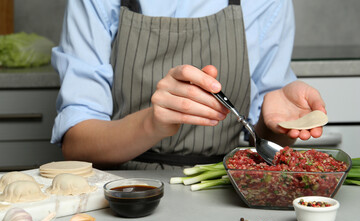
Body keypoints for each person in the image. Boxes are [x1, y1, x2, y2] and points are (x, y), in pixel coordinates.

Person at [51, 0, 326, 169]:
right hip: (125, 193)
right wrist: (152, 124)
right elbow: (77, 145)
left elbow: (263, 139)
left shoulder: (267, 2)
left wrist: (282, 125)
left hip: (224, 187)